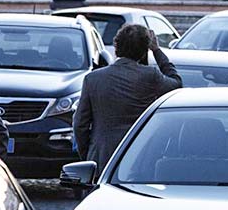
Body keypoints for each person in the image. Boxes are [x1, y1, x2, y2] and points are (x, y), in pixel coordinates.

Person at [73, 23, 180, 170]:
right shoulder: (150, 76)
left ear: (116, 47)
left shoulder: (92, 79)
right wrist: (156, 50)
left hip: (102, 156)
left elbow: (80, 124)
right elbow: (176, 83)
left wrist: (88, 154)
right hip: (139, 156)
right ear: (144, 50)